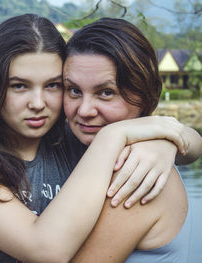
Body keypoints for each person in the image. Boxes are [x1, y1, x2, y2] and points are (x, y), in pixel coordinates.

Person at [0, 14, 201, 263]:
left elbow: (193, 144)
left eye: (54, 85)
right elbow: (46, 249)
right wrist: (117, 134)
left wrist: (165, 142)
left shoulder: (73, 143)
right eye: (19, 86)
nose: (38, 103)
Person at [62, 17, 202, 262]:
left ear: (145, 96)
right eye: (74, 90)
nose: (84, 110)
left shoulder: (136, 171)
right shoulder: (76, 148)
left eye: (106, 92)